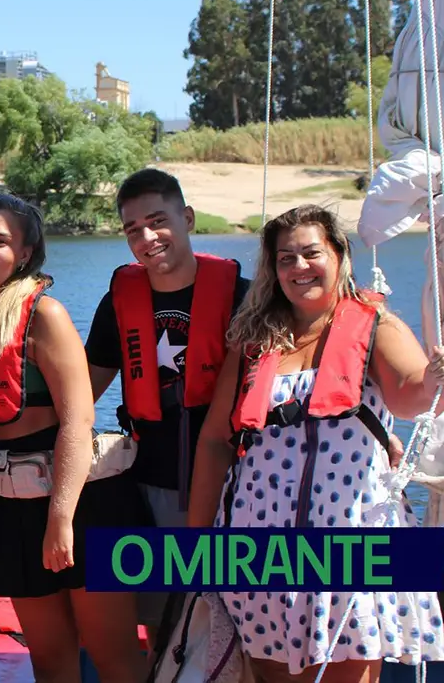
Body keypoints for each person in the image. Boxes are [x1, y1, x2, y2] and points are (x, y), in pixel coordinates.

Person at [188, 205, 444, 681]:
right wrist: (196, 545)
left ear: (339, 254)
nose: (299, 267)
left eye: (311, 253)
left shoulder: (375, 324)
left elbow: (411, 396)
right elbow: (214, 442)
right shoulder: (254, 340)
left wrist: (434, 380)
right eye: (286, 258)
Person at [0, 194, 148, 682]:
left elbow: (76, 420)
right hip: (13, 501)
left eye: (0, 242)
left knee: (116, 659)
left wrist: (61, 519)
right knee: (49, 660)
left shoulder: (47, 316)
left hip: (83, 502)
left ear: (24, 254)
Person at [84, 168, 251, 639]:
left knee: (236, 626)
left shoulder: (244, 295)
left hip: (232, 487)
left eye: (158, 221)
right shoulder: (118, 301)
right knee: (164, 628)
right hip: (150, 485)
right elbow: (80, 395)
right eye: (132, 229)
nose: (147, 237)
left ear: (188, 219)